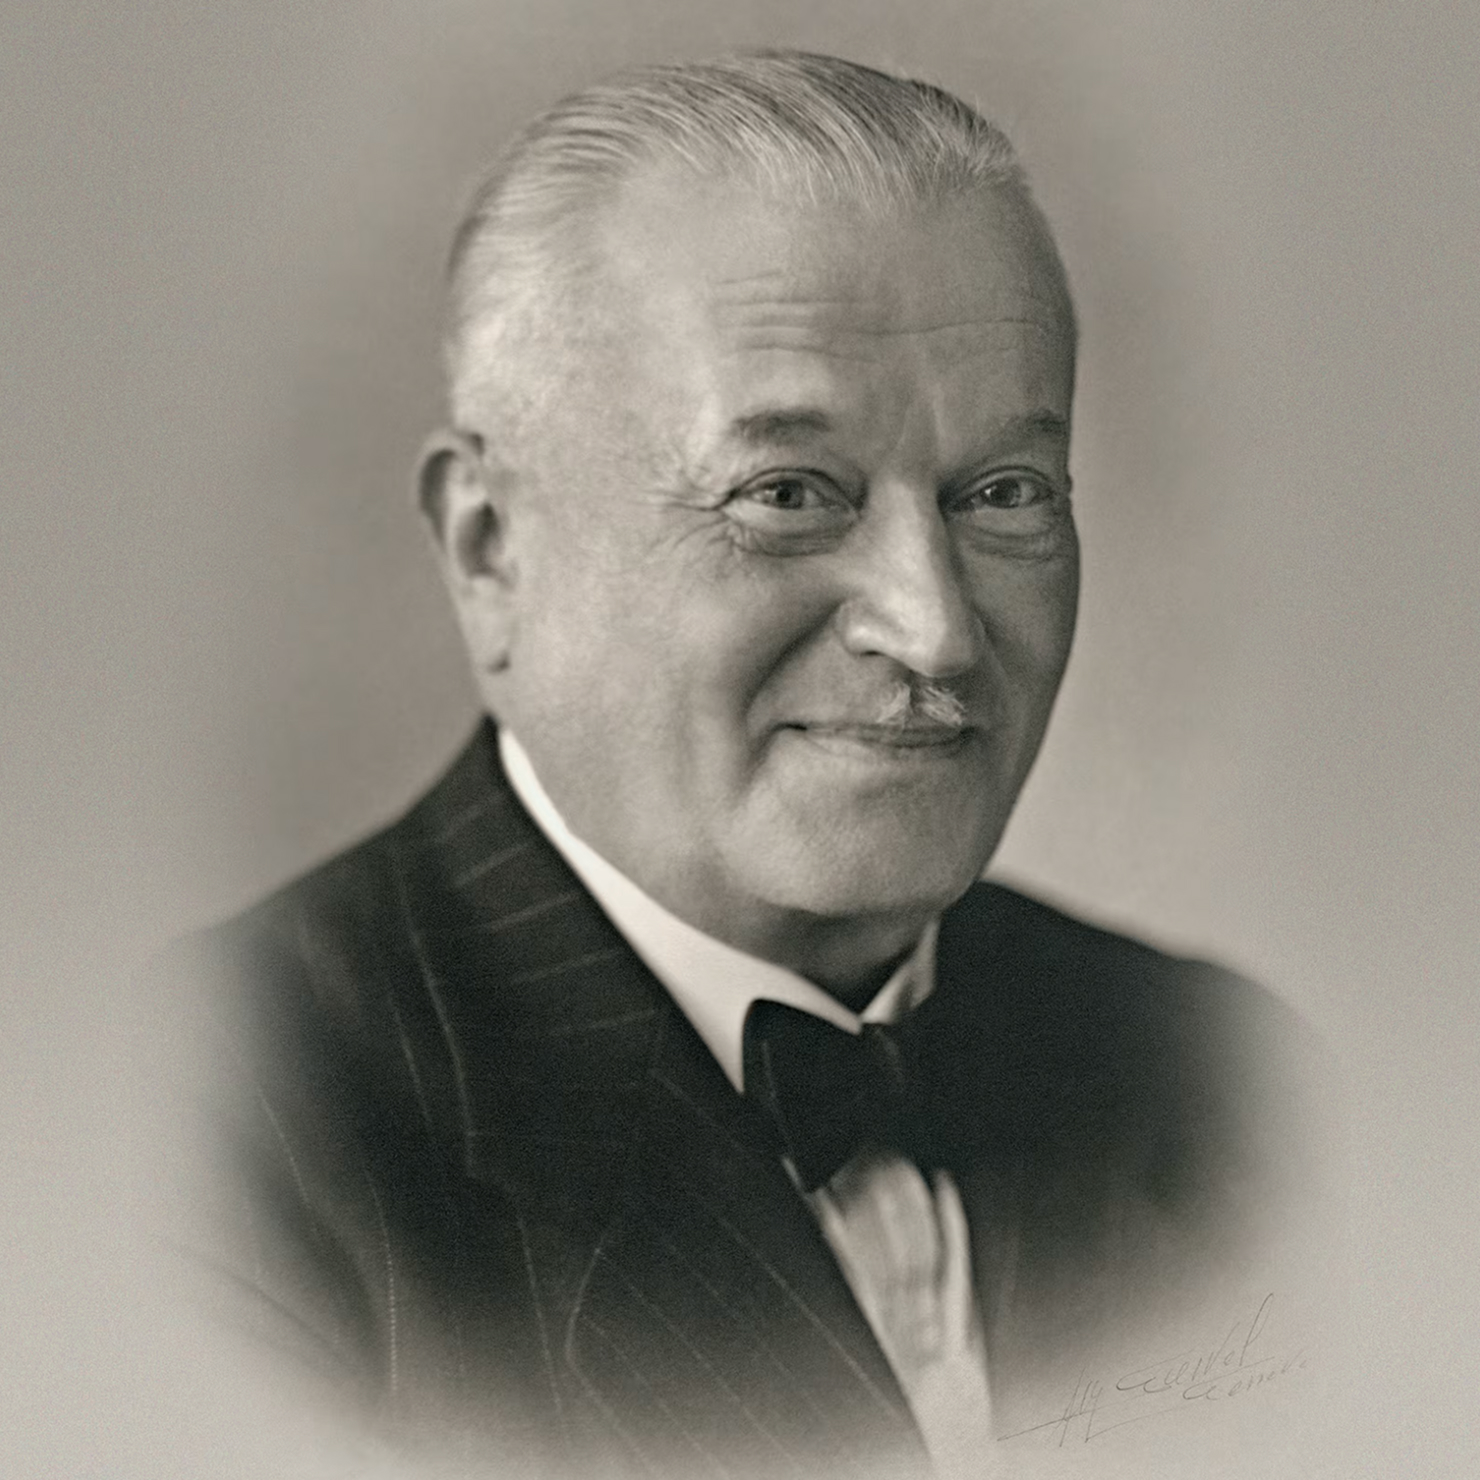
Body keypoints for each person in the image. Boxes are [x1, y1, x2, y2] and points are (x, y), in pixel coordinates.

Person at [173, 50, 1319, 1480]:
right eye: (786, 493)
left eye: (1004, 493)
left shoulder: (1225, 1082)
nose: (936, 628)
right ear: (491, 550)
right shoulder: (211, 1160)